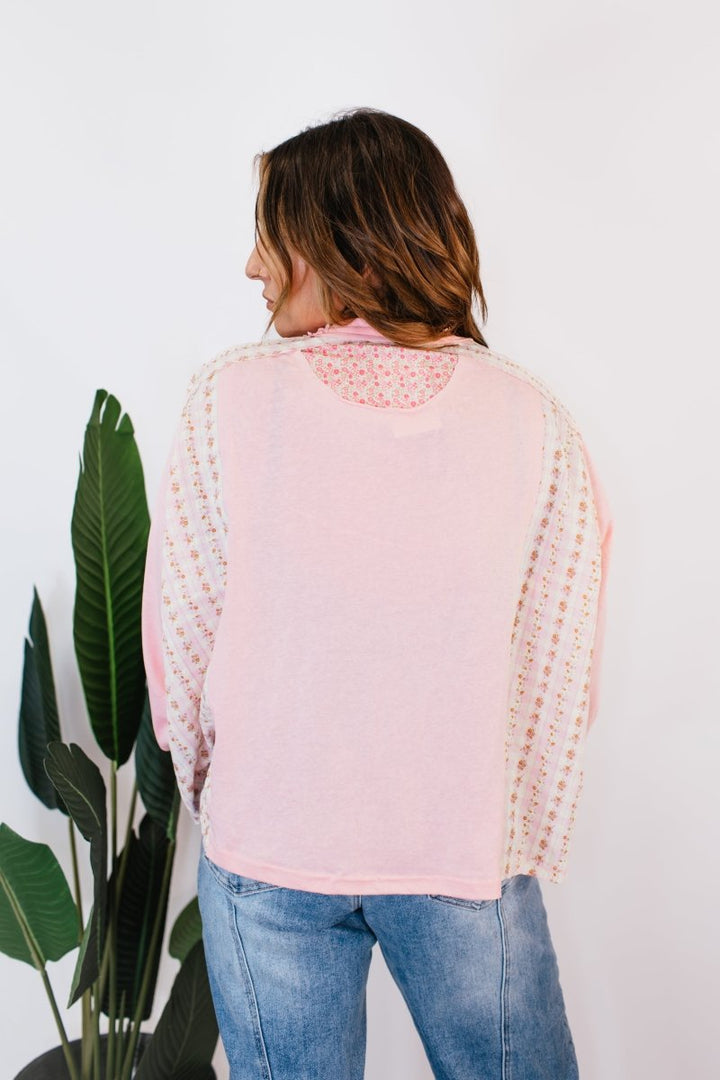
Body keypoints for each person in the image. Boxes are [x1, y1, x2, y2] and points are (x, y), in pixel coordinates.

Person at [141, 107, 613, 1080]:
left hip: (267, 853)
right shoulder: (531, 416)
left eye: (270, 235)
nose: (250, 266)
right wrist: (499, 828)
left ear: (337, 241)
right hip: (461, 852)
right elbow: (556, 663)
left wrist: (228, 793)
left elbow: (184, 636)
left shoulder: (227, 400)